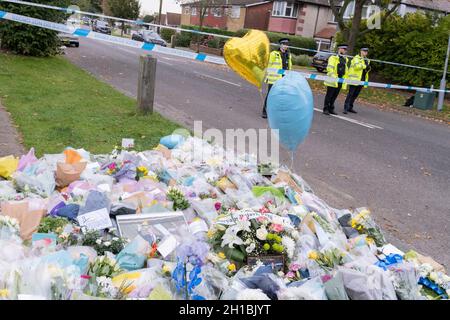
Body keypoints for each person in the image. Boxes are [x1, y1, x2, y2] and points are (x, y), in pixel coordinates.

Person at [262, 38, 292, 118]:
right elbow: (268, 65)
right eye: (284, 44)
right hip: (273, 79)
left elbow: (289, 67)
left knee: (280, 97)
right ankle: (264, 111)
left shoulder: (288, 55)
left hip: (284, 80)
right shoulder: (274, 54)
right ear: (280, 45)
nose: (286, 46)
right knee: (270, 96)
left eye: (287, 44)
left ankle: (275, 112)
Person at [344, 46, 371, 114]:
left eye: (366, 52)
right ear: (361, 51)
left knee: (355, 94)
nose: (366, 53)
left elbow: (367, 69)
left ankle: (350, 107)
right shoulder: (356, 58)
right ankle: (346, 108)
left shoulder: (367, 60)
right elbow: (357, 67)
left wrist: (368, 68)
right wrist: (365, 66)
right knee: (350, 94)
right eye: (364, 51)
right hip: (354, 79)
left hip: (362, 79)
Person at [323, 44, 349, 115]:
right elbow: (329, 68)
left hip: (340, 80)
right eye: (344, 49)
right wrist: (334, 77)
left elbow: (345, 70)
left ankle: (331, 108)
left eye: (345, 49)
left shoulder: (345, 59)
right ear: (339, 49)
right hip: (333, 80)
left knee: (335, 95)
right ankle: (325, 109)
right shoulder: (333, 57)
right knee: (329, 95)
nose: (345, 51)